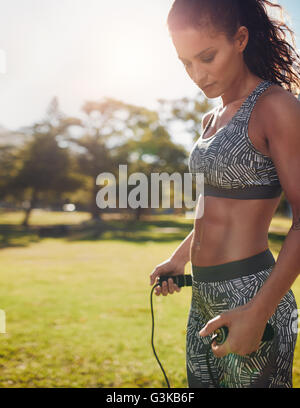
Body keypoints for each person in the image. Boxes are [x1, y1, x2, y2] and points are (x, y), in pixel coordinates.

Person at [150, 0, 300, 388]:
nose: (197, 74)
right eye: (186, 63)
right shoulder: (211, 119)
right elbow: (212, 207)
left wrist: (257, 313)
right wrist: (178, 258)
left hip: (253, 295)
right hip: (203, 296)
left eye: (207, 56)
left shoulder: (275, 107)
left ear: (241, 39)